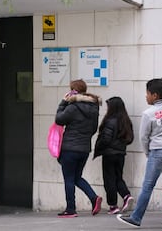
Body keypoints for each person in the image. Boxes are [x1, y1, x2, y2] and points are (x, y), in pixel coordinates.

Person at [116, 78, 162, 228]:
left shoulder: (149, 113)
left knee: (148, 185)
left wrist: (148, 153)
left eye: (147, 93)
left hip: (158, 152)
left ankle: (136, 218)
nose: (146, 96)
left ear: (154, 95)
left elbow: (143, 137)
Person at [55, 79, 103, 218]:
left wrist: (63, 102)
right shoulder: (94, 107)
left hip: (70, 148)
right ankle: (94, 198)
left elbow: (59, 119)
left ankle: (70, 209)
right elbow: (94, 129)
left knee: (69, 179)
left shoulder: (72, 106)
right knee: (77, 177)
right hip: (84, 149)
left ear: (73, 91)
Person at [93, 96, 134, 214]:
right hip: (121, 154)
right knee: (118, 177)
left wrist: (99, 146)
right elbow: (130, 139)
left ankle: (113, 206)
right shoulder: (126, 121)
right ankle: (126, 195)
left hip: (109, 154)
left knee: (109, 179)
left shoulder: (110, 121)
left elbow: (105, 139)